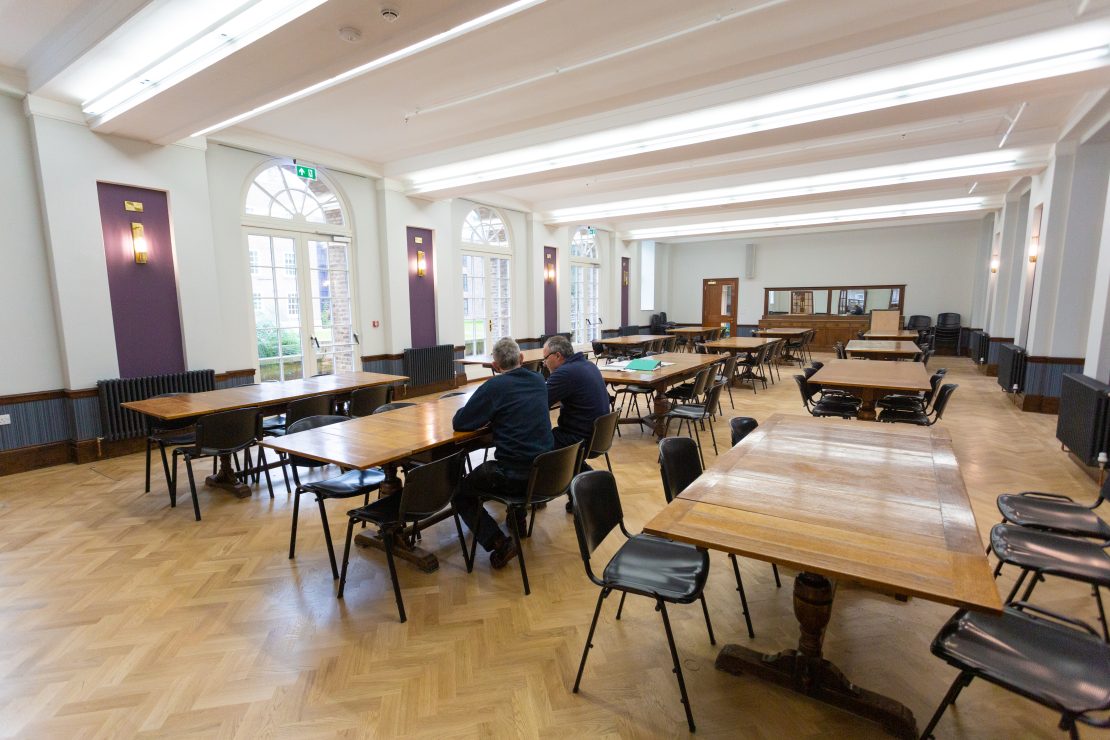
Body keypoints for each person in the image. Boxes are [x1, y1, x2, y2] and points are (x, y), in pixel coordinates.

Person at [452, 337, 553, 568]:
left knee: (460, 492)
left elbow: (462, 422)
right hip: (545, 472)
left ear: (495, 367)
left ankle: (498, 541)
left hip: (515, 476)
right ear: (521, 358)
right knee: (517, 460)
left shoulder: (494, 387)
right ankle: (518, 519)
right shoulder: (539, 380)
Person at [542, 334, 611, 455]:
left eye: (545, 358)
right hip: (600, 437)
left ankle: (570, 470)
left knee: (533, 444)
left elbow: (540, 401)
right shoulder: (588, 365)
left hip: (579, 440)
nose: (544, 363)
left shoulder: (565, 373)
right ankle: (579, 469)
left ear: (557, 355)